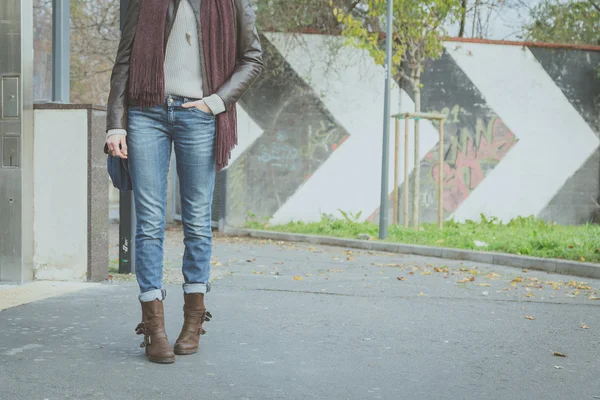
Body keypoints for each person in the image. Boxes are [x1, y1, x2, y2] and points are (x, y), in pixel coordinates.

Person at [105, 0, 263, 364]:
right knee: (148, 221)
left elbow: (252, 58)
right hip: (146, 112)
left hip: (200, 114)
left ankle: (193, 322)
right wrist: (116, 122)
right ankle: (154, 328)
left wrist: (218, 101)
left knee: (196, 220)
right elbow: (125, 60)